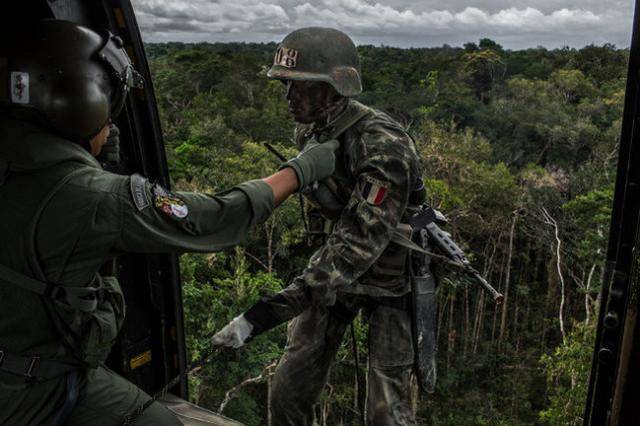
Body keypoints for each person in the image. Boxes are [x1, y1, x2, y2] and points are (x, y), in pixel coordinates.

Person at [0, 20, 339, 425]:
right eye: (109, 112)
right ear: (82, 105)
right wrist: (298, 171)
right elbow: (215, 218)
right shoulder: (94, 196)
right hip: (37, 389)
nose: (110, 126)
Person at [212, 27, 427, 425]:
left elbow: (359, 242)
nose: (289, 98)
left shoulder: (382, 144)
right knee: (288, 391)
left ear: (335, 88)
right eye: (288, 86)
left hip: (391, 278)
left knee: (387, 409)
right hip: (333, 273)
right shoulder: (311, 131)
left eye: (301, 88)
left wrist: (261, 316)